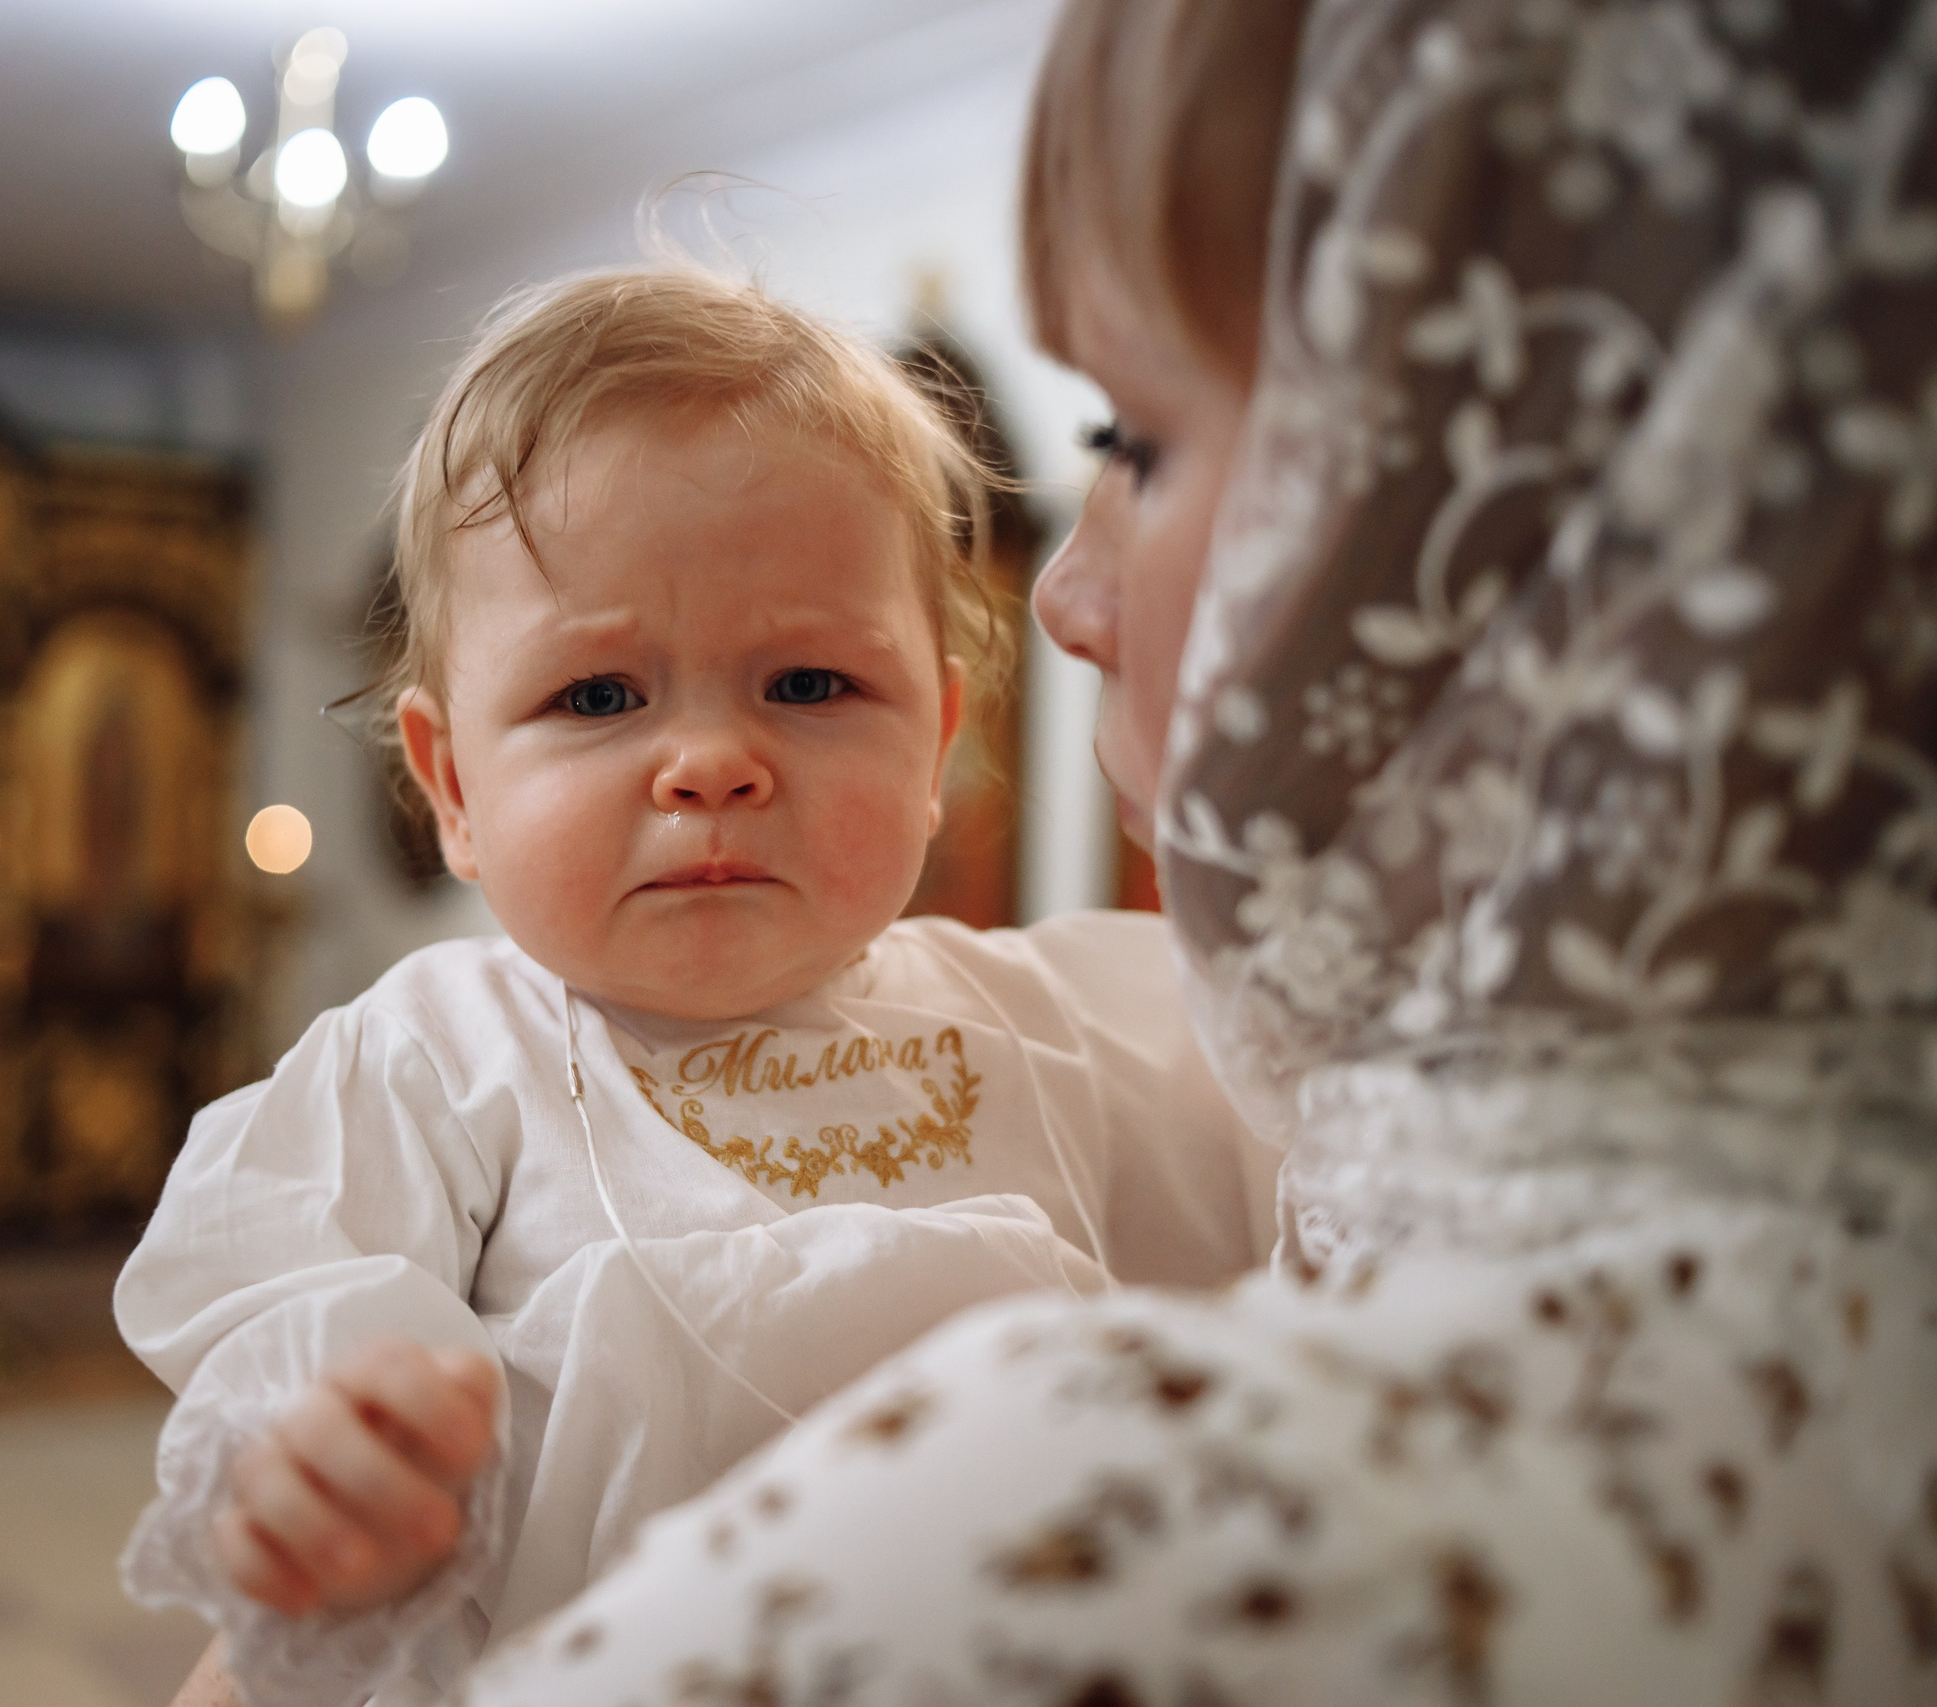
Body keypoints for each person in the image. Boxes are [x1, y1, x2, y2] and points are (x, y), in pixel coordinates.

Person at [445, 0, 1937, 1699]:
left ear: (1597, 535)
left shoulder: (1037, 1570)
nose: (1071, 597)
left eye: (1139, 438)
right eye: (597, 693)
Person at [119, 265, 1277, 1707]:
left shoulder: (1051, 1027)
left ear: (937, 749)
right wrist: (328, 1460)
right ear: (453, 785)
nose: (711, 762)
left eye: (808, 685)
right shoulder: (436, 1059)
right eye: (599, 697)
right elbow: (291, 1305)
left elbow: (1303, 1174)